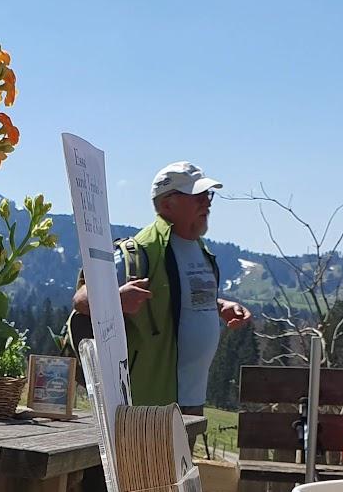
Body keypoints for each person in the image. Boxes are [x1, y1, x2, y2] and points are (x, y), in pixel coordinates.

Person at [71, 161, 252, 414]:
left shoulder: (200, 248)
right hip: (151, 402)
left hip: (192, 397)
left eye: (207, 195)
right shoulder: (142, 250)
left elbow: (178, 299)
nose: (207, 203)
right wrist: (116, 299)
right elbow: (81, 299)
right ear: (168, 204)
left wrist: (220, 306)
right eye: (197, 196)